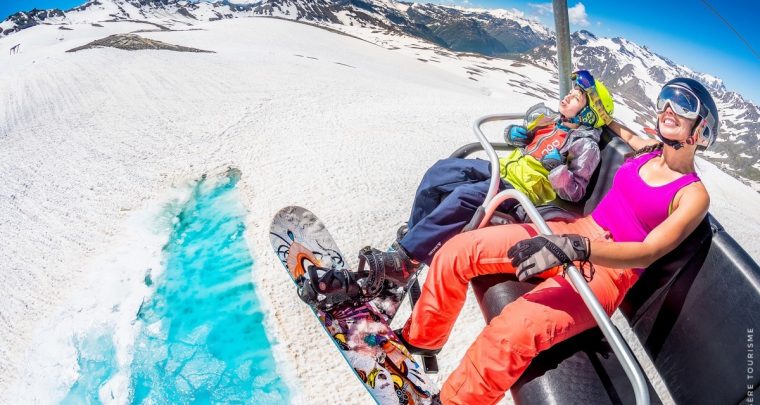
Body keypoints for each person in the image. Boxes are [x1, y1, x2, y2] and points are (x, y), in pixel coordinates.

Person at [394, 77, 719, 404]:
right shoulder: (647, 152)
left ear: (701, 130)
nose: (668, 109)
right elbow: (611, 124)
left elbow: (649, 252)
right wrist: (590, 103)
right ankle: (421, 338)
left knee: (513, 330)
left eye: (684, 105)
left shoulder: (692, 194)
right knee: (459, 251)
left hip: (608, 272)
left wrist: (579, 249)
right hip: (576, 232)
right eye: (666, 100)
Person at [298, 71, 615, 305]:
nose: (567, 96)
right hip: (499, 173)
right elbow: (518, 134)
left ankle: (400, 263)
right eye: (571, 92)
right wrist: (517, 134)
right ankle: (409, 251)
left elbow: (573, 192)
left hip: (519, 195)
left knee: (464, 198)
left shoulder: (583, 144)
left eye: (576, 97)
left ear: (588, 112)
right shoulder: (550, 122)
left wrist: (556, 167)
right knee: (441, 173)